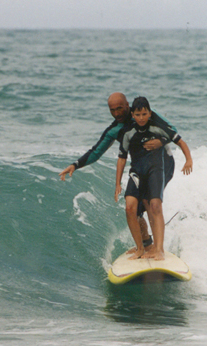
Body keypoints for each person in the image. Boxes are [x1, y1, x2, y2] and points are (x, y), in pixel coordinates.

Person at [59, 93, 163, 249]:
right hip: (140, 168)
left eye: (119, 109)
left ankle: (157, 248)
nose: (116, 114)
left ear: (127, 105)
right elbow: (96, 152)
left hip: (161, 163)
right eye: (112, 110)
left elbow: (171, 131)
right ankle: (146, 242)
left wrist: (161, 141)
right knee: (133, 209)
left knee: (148, 203)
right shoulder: (115, 130)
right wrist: (75, 164)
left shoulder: (145, 114)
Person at [115, 97, 192, 261]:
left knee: (155, 205)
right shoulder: (128, 132)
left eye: (144, 114)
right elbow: (121, 158)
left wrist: (188, 159)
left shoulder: (158, 127)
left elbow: (180, 141)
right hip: (137, 171)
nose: (141, 117)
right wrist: (117, 184)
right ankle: (140, 248)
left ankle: (159, 249)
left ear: (150, 113)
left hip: (155, 169)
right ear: (133, 115)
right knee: (130, 208)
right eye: (138, 114)